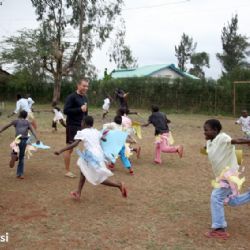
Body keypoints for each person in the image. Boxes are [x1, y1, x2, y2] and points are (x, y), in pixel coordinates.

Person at [54, 116, 127, 200]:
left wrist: (61, 150)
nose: (81, 123)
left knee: (97, 178)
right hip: (97, 154)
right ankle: (78, 192)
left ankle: (119, 185)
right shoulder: (96, 131)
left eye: (82, 122)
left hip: (91, 156)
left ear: (84, 123)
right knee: (83, 171)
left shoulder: (82, 132)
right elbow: (104, 139)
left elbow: (74, 144)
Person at [203, 119, 250, 239]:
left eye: (206, 130)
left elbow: (236, 140)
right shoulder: (210, 142)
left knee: (216, 196)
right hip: (222, 176)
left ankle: (219, 229)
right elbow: (209, 149)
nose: (204, 133)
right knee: (230, 201)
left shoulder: (222, 137)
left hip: (229, 176)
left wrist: (248, 140)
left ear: (215, 130)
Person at [0, 110, 40, 179]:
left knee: (14, 150)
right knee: (21, 157)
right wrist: (37, 139)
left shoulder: (16, 121)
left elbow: (7, 126)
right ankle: (20, 174)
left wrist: (1, 130)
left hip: (17, 140)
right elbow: (33, 130)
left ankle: (14, 156)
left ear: (20, 115)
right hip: (25, 141)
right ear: (26, 116)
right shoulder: (27, 122)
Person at [63, 79, 89, 178]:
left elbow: (85, 112)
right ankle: (67, 171)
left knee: (88, 145)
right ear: (78, 85)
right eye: (84, 86)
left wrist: (87, 124)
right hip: (72, 126)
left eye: (87, 86)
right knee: (69, 148)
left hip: (82, 126)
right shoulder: (72, 97)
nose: (85, 88)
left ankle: (88, 168)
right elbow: (66, 110)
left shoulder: (85, 98)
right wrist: (79, 109)